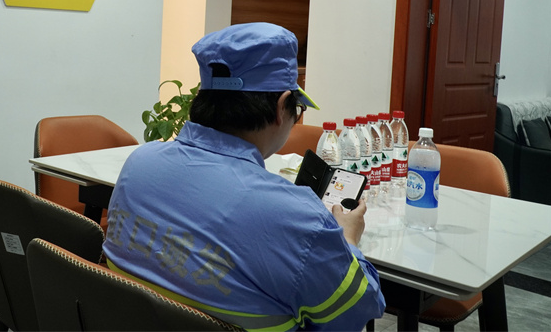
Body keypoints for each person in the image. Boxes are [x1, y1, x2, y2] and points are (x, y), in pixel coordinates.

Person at [103, 22, 385, 331]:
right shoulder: (296, 215)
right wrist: (348, 238)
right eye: (297, 108)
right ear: (282, 107)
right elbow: (356, 311)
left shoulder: (139, 163)